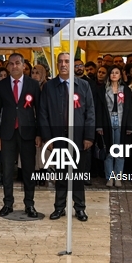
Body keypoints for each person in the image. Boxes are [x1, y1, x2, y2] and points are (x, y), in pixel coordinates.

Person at [39, 52, 95, 222]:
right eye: (60, 62)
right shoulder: (49, 87)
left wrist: (88, 136)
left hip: (78, 138)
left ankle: (79, 208)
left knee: (77, 175)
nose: (63, 64)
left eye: (67, 62)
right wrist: (47, 139)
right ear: (57, 65)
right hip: (58, 138)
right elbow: (43, 114)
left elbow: (90, 112)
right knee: (61, 175)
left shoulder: (83, 86)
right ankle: (59, 208)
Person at [0, 52, 38, 217]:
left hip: (28, 132)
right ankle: (8, 203)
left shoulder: (33, 84)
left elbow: (39, 111)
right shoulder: (1, 85)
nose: (14, 66)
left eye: (18, 63)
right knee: (8, 170)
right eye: (11, 63)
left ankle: (29, 204)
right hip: (7, 133)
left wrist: (39, 134)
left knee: (28, 170)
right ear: (8, 66)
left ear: (24, 65)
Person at [100, 65, 132, 188]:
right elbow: (99, 109)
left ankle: (118, 177)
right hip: (107, 121)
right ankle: (109, 177)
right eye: (112, 72)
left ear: (120, 75)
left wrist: (129, 126)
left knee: (119, 151)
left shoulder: (126, 90)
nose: (114, 74)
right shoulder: (103, 89)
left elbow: (129, 109)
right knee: (109, 150)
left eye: (117, 72)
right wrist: (99, 126)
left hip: (120, 121)